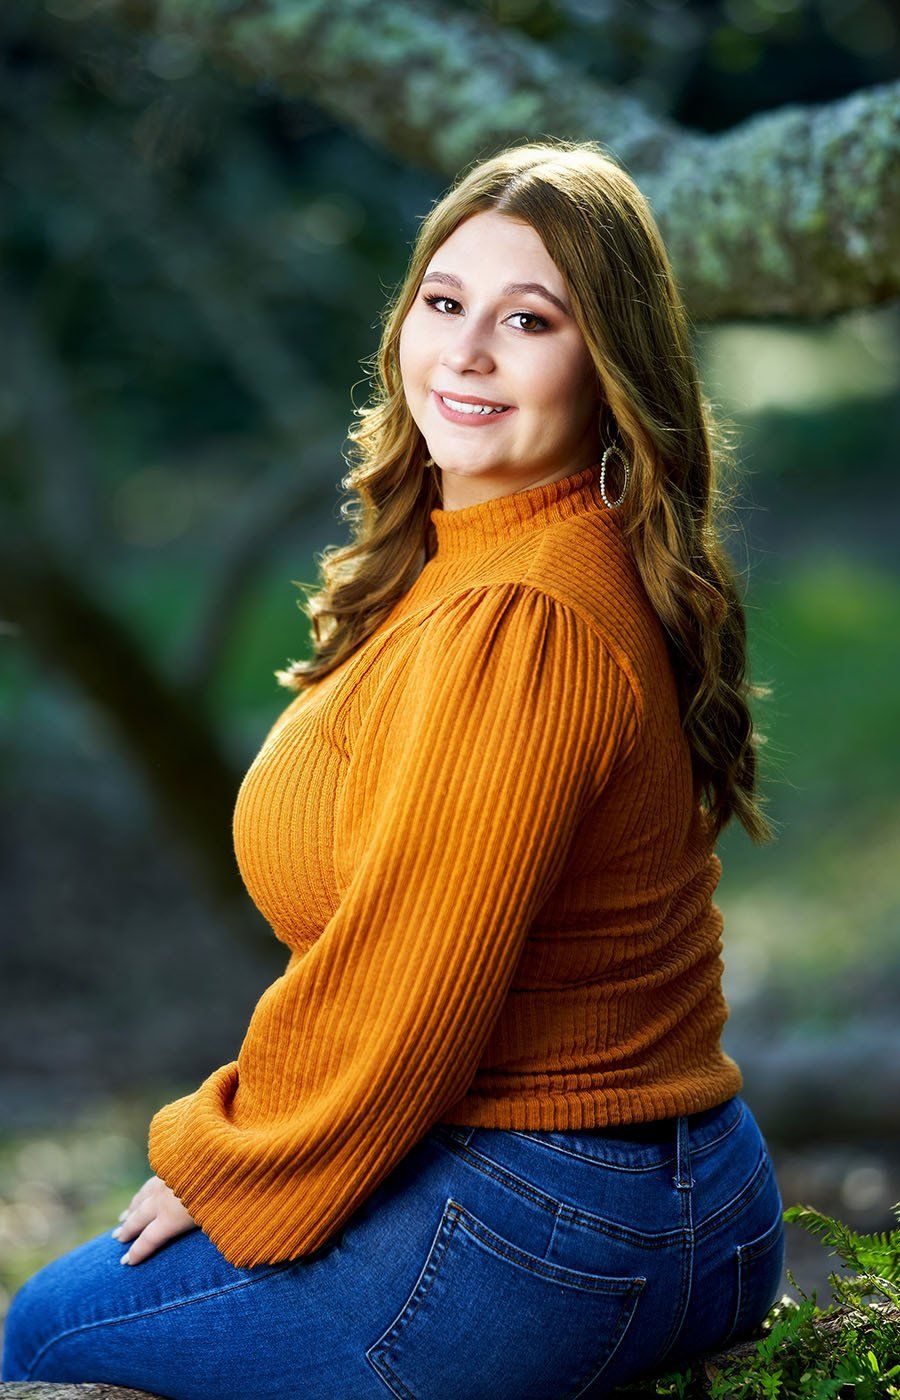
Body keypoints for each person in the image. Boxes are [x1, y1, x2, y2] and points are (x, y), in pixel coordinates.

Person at [2, 138, 786, 1399]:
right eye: (444, 301)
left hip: (562, 1221)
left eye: (528, 320)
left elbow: (408, 987)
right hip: (678, 1182)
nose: (467, 351)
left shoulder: (518, 618)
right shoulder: (512, 552)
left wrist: (229, 1157)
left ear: (610, 364)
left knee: (47, 1328)